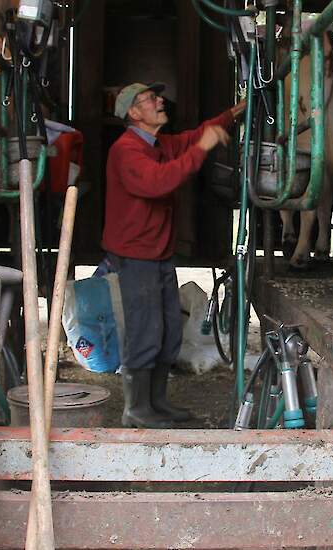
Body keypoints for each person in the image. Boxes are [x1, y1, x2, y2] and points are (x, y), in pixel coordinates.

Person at [101, 82, 246, 428]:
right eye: (151, 99)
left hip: (158, 253)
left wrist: (236, 111)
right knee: (145, 330)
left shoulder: (157, 144)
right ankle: (136, 408)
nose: (159, 100)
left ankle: (157, 403)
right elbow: (159, 182)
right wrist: (203, 148)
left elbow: (194, 136)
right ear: (134, 113)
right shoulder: (127, 150)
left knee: (168, 331)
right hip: (136, 256)